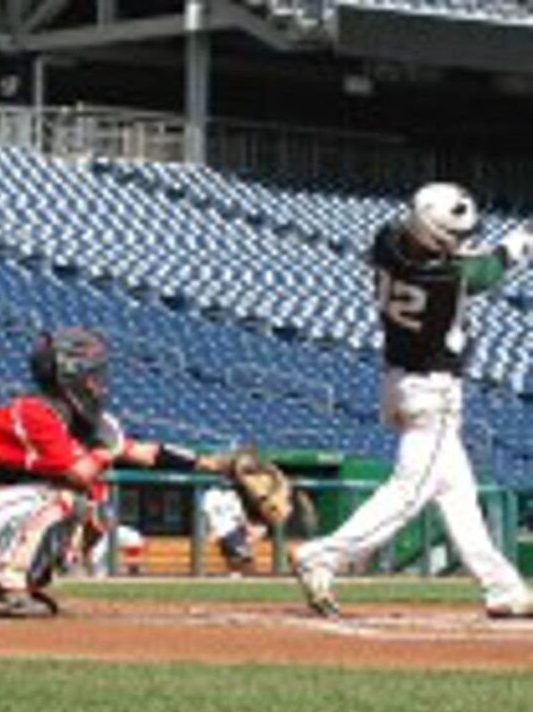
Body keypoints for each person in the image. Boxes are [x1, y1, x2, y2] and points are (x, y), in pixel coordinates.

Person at [292, 182, 533, 619]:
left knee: (457, 494)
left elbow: (458, 256)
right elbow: (487, 269)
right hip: (431, 394)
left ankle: (503, 588)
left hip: (397, 381)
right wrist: (520, 243)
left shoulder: (387, 243)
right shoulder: (444, 280)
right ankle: (324, 555)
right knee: (408, 493)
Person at [0, 326, 230, 617]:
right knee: (63, 497)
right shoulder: (33, 412)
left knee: (75, 503)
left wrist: (214, 464)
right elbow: (80, 472)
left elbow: (144, 453)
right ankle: (4, 589)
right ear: (70, 376)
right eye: (92, 376)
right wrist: (104, 451)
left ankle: (18, 586)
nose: (99, 384)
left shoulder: (81, 421)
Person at [200, 486, 262, 576]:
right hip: (219, 531)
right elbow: (206, 514)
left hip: (232, 530)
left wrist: (248, 528)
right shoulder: (210, 494)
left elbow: (239, 515)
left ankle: (240, 569)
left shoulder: (232, 494)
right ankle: (237, 571)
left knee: (244, 557)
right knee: (233, 557)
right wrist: (210, 529)